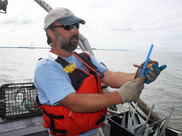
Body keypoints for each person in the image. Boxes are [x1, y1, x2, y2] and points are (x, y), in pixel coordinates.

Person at [34, 7, 166, 136]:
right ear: (51, 32)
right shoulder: (46, 67)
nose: (75, 30)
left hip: (96, 130)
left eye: (76, 26)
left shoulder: (85, 57)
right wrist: (120, 96)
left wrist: (139, 75)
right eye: (68, 26)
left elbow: (110, 76)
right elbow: (74, 102)